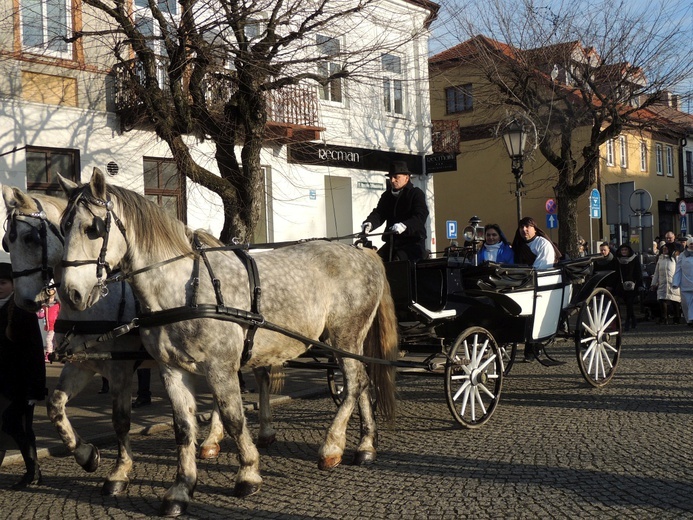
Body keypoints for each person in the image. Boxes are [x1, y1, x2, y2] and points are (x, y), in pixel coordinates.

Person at [0, 263, 46, 489]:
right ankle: (33, 471)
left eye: (3, 283)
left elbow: (35, 351)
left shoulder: (21, 311)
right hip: (2, 382)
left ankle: (33, 471)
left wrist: (36, 389)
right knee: (6, 426)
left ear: (13, 285)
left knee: (21, 428)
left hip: (20, 383)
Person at [362, 161, 429, 262]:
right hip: (392, 244)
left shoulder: (416, 193)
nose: (392, 180)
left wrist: (404, 225)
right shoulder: (387, 196)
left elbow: (421, 215)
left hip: (412, 244)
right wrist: (369, 223)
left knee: (397, 263)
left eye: (396, 177)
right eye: (390, 177)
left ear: (407, 177)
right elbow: (379, 214)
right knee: (375, 263)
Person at [650, 243, 681, 324]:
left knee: (675, 301)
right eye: (663, 249)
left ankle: (676, 318)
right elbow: (656, 272)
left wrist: (679, 281)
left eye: (666, 249)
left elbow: (679, 270)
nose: (664, 250)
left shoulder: (675, 259)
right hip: (663, 283)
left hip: (673, 283)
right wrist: (653, 283)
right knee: (661, 300)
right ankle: (664, 318)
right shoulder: (660, 259)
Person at [614, 244, 643, 331]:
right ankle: (633, 320)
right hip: (621, 285)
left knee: (629, 304)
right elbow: (616, 274)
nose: (624, 252)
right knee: (626, 304)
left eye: (625, 250)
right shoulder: (617, 260)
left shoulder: (634, 259)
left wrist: (639, 284)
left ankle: (627, 322)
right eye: (622, 250)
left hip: (632, 285)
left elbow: (638, 272)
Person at [673, 236, 693, 327]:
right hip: (685, 283)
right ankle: (689, 319)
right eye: (691, 244)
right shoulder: (682, 255)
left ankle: (692, 319)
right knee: (686, 303)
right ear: (688, 245)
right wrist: (675, 282)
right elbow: (678, 269)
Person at [36, 287, 60, 362]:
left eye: (52, 290)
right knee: (54, 340)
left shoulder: (57, 304)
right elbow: (41, 315)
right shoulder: (45, 305)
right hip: (49, 325)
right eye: (49, 291)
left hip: (55, 325)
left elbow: (61, 314)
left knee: (49, 339)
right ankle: (55, 354)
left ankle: (50, 353)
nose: (50, 292)